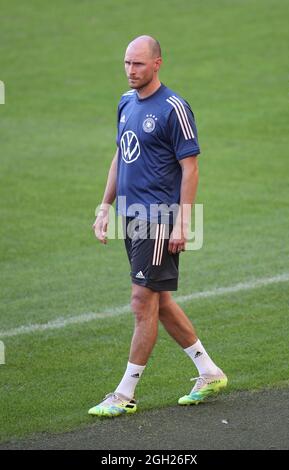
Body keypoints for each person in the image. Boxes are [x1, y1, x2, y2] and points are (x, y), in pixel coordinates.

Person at [89, 35, 227, 417]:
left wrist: (183, 222)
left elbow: (191, 167)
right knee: (158, 299)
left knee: (141, 301)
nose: (131, 70)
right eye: (127, 63)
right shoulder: (125, 102)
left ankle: (124, 393)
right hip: (130, 217)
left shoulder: (173, 108)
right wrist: (105, 205)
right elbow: (121, 154)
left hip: (159, 216)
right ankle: (208, 370)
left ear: (157, 64)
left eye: (138, 64)